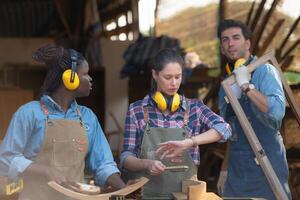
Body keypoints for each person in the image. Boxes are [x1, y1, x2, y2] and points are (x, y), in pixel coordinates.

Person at [0, 44, 125, 199]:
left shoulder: (88, 118)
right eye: (85, 74)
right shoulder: (29, 114)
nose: (90, 79)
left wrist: (124, 189)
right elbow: (5, 159)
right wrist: (42, 170)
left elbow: (103, 164)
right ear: (70, 78)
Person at [120, 48, 231, 199]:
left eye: (178, 77)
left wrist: (190, 142)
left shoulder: (194, 108)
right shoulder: (136, 110)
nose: (174, 83)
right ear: (154, 74)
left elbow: (224, 128)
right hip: (147, 195)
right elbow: (126, 157)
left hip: (186, 195)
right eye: (168, 77)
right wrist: (146, 164)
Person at [216, 19, 291, 199]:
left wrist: (247, 87)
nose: (230, 43)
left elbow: (276, 111)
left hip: (267, 166)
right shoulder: (225, 85)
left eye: (236, 37)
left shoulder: (265, 71)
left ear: (247, 43)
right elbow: (230, 132)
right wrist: (224, 169)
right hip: (237, 171)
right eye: (225, 39)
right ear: (221, 48)